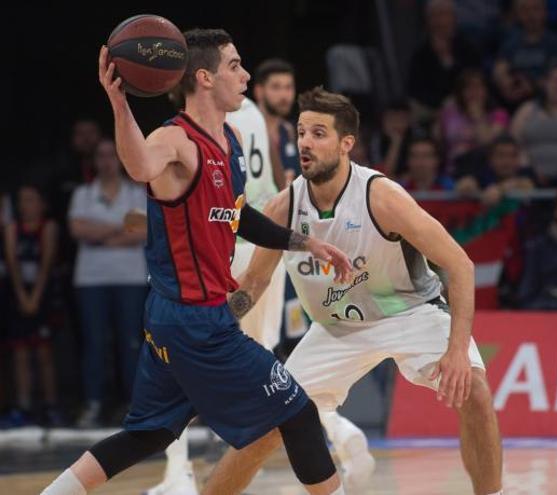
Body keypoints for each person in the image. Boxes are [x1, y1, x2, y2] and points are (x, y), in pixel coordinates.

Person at [40, 29, 352, 495]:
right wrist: (118, 101)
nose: (246, 75)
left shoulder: (227, 139)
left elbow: (237, 215)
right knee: (300, 414)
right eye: (235, 65)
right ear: (204, 78)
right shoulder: (175, 140)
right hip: (198, 324)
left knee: (149, 433)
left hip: (178, 319)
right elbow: (141, 165)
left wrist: (303, 243)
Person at [200, 87, 504, 495]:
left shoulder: (382, 197)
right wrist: (209, 325)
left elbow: (460, 265)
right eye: (302, 132)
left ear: (347, 144)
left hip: (410, 312)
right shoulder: (283, 207)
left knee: (476, 392)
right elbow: (253, 283)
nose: (305, 142)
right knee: (265, 426)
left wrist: (456, 351)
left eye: (319, 133)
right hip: (335, 329)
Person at [69, 140, 148, 429]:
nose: (106, 161)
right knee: (94, 343)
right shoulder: (83, 193)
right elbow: (77, 229)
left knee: (131, 342)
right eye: (100, 155)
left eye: (111, 156)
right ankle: (93, 403)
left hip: (130, 278)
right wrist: (119, 228)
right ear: (94, 161)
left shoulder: (136, 193)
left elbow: (141, 231)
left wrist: (99, 234)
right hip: (91, 279)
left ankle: (134, 404)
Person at [3, 184, 62, 427]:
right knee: (20, 353)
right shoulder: (11, 229)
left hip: (43, 294)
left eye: (30, 200)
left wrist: (35, 296)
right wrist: (22, 296)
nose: (25, 205)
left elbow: (47, 264)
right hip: (18, 294)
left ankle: (50, 406)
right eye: (22, 200)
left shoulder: (48, 227)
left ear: (42, 204)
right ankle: (23, 406)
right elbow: (12, 263)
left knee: (44, 352)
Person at [252, 58, 298, 186]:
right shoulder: (245, 129)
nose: (284, 95)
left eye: (289, 87)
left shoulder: (291, 131)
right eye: (276, 87)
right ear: (259, 91)